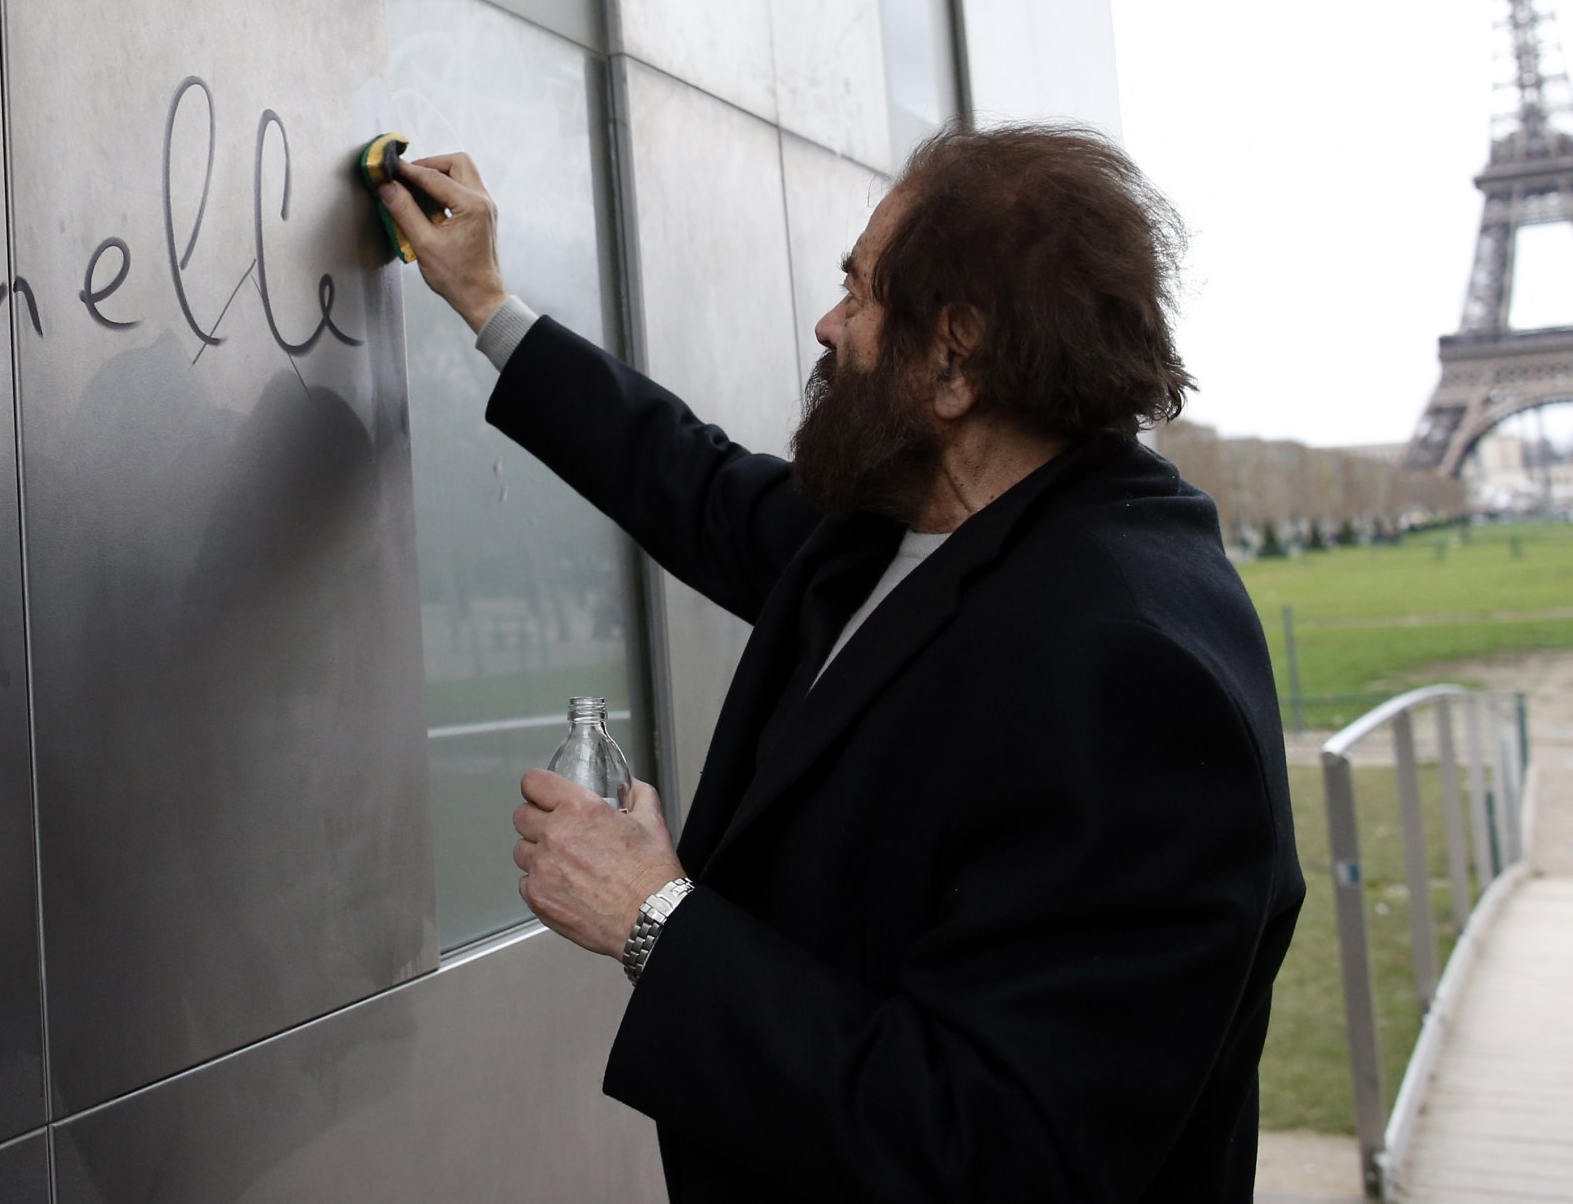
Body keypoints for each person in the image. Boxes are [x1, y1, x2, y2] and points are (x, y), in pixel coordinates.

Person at [376, 124, 1303, 1203]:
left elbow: (997, 1146)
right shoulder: (909, 526)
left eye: (861, 294)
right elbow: (694, 481)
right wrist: (488, 304)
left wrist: (653, 913)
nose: (829, 323)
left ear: (954, 357)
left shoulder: (1127, 671)